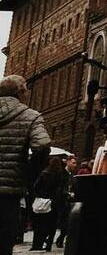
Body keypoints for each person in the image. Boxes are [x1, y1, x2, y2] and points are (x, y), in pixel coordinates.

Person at [0, 75, 50, 255]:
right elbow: (42, 145)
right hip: (8, 195)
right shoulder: (31, 116)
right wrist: (29, 173)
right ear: (20, 92)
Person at [30, 156, 66, 252]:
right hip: (54, 202)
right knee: (52, 224)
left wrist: (40, 195)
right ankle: (49, 244)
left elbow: (36, 186)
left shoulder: (44, 173)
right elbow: (61, 189)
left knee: (39, 224)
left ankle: (37, 244)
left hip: (42, 200)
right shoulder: (60, 175)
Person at [53, 154, 76, 249]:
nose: (75, 165)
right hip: (60, 200)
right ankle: (54, 239)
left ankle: (60, 239)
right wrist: (67, 193)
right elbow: (59, 187)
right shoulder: (61, 173)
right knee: (59, 221)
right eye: (73, 163)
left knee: (65, 222)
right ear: (68, 162)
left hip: (67, 201)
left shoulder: (72, 174)